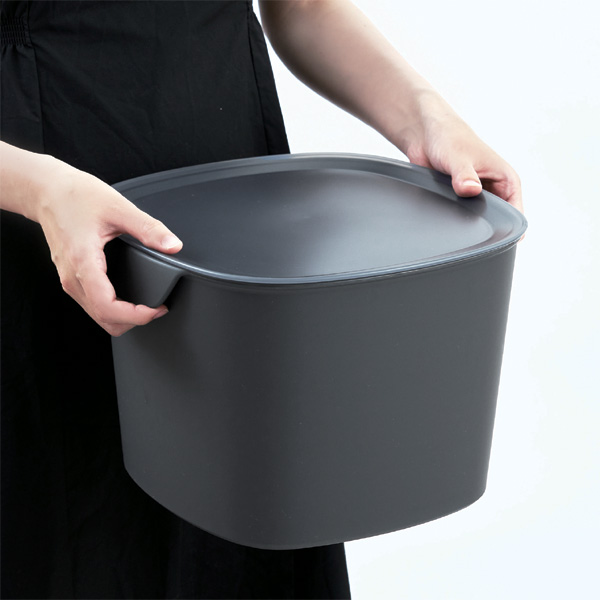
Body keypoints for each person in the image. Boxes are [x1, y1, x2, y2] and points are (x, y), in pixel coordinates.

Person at [0, 1, 523, 598]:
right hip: (32, 221)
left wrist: (424, 117)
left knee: (250, 528)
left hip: (239, 225)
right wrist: (38, 189)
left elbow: (302, 7)